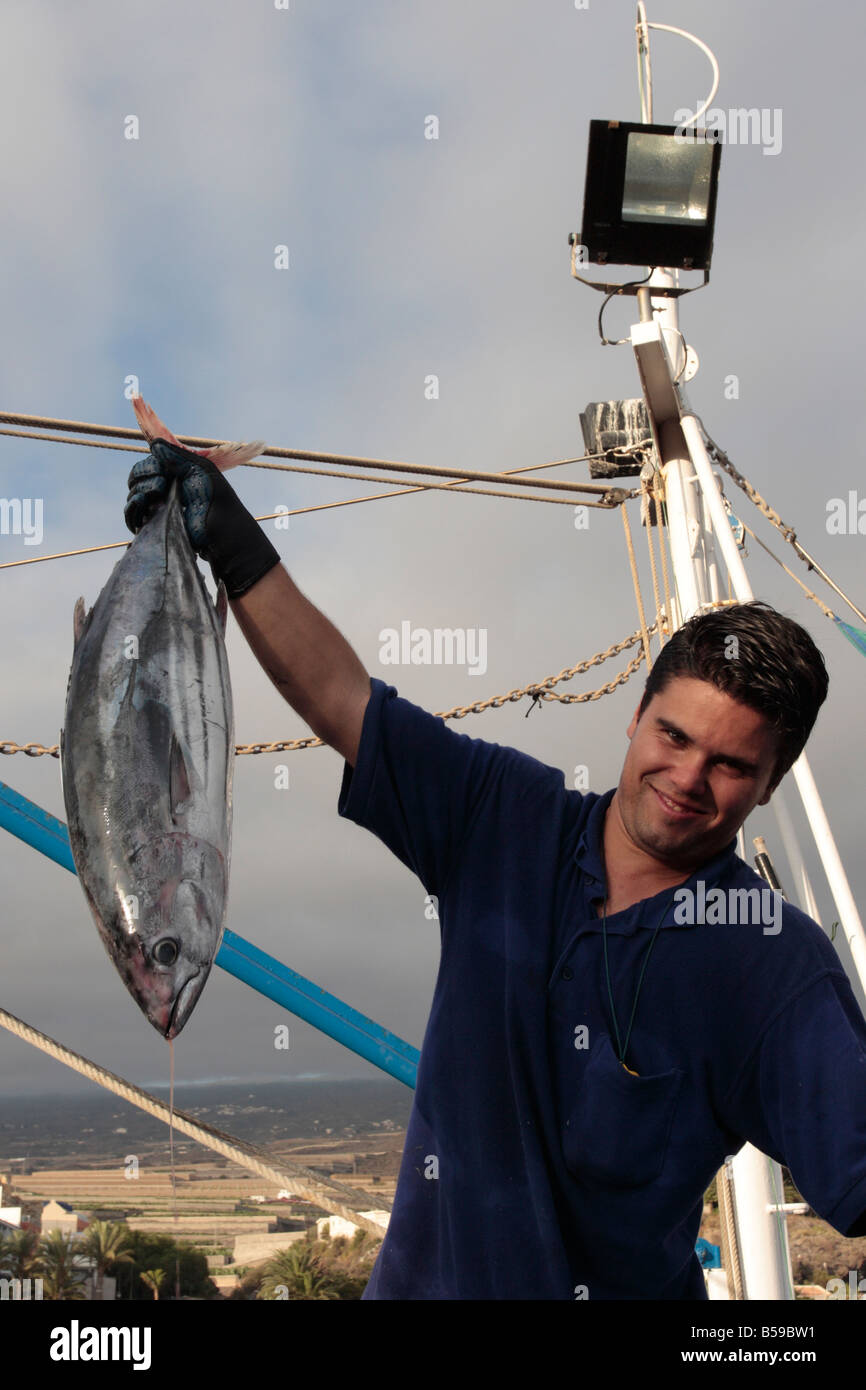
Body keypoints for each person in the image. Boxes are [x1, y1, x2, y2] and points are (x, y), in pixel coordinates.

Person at [126, 438, 866, 1301]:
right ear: (635, 718)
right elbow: (339, 697)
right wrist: (230, 539)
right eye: (674, 736)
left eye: (732, 765)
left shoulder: (774, 964)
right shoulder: (503, 816)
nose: (688, 779)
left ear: (771, 783)